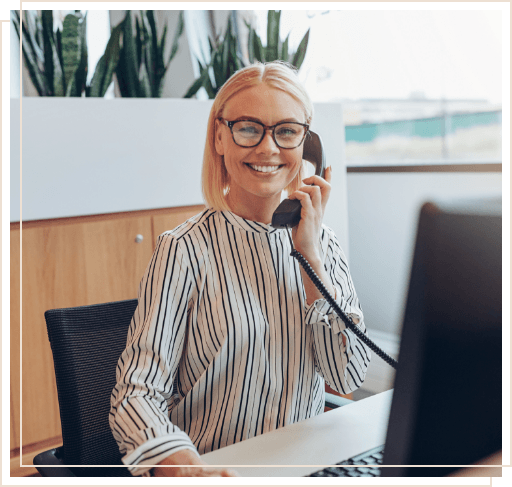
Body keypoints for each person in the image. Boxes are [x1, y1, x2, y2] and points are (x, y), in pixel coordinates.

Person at [110, 61, 371, 477]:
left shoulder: (323, 243)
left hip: (302, 464)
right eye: (249, 128)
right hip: (215, 469)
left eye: (286, 131)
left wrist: (310, 260)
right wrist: (178, 464)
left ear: (308, 143)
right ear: (219, 136)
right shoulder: (184, 249)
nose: (268, 149)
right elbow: (136, 393)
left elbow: (348, 374)